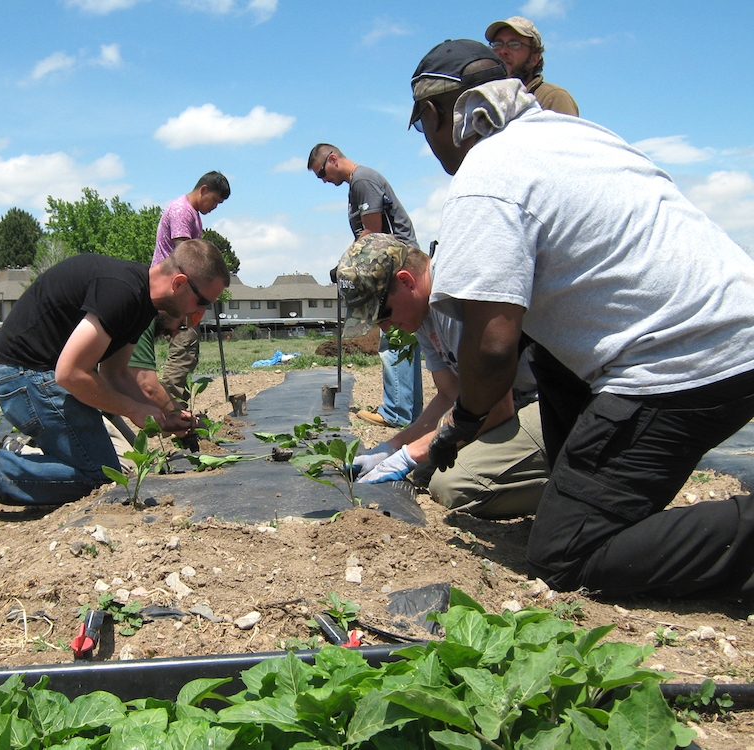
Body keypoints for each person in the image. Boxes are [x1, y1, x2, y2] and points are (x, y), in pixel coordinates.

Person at [404, 38, 754, 598]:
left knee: (565, 557)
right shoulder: (580, 135)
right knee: (550, 354)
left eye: (423, 129)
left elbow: (492, 349)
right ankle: (581, 495)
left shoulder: (485, 172)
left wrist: (458, 430)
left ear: (431, 114)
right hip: (734, 326)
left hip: (685, 361)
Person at [0, 240, 230, 521]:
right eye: (202, 302)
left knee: (100, 469)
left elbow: (116, 373)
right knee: (98, 476)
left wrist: (164, 416)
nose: (199, 314)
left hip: (39, 380)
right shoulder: (121, 290)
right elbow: (69, 373)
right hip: (25, 377)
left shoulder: (141, 302)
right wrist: (136, 410)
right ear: (179, 283)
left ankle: (20, 458)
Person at [339, 234, 549, 519]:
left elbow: (498, 407)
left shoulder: (454, 299)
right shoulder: (423, 316)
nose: (386, 328)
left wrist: (408, 455)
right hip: (505, 405)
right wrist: (392, 447)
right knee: (426, 469)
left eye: (383, 314)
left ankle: (569, 487)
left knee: (453, 486)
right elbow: (450, 394)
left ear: (406, 281)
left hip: (546, 403)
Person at [307, 144, 424, 429]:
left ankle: (397, 412)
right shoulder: (358, 184)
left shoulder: (363, 180)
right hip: (395, 266)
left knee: (393, 336)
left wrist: (346, 263)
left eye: (322, 172)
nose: (323, 180)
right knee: (402, 340)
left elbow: (374, 236)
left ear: (333, 159)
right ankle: (408, 411)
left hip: (394, 270)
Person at [136, 171, 231, 404]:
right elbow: (188, 258)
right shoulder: (182, 210)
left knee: (186, 350)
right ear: (204, 190)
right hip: (175, 295)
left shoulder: (193, 214)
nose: (215, 207)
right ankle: (173, 411)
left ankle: (172, 407)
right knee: (184, 349)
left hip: (178, 291)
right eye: (215, 200)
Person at [485, 16, 578, 116]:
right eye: (497, 44)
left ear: (534, 58)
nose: (503, 51)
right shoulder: (483, 98)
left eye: (514, 44)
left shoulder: (552, 97)